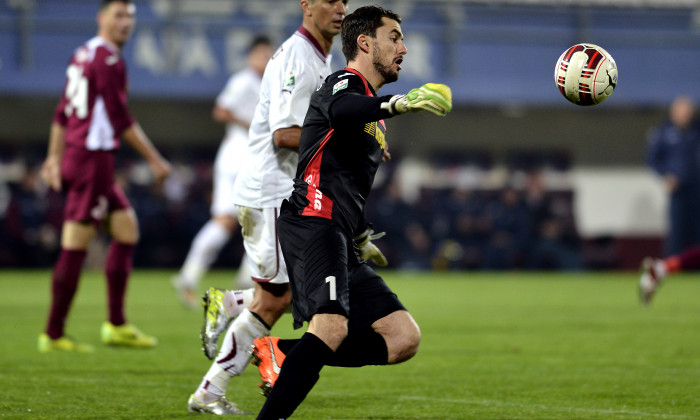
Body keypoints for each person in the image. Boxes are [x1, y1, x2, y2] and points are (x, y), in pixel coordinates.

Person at [253, 6, 452, 419]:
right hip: (312, 220)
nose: (404, 48)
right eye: (394, 37)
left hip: (339, 232)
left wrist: (360, 234)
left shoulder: (370, 114)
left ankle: (284, 352)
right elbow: (343, 111)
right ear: (365, 42)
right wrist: (399, 103)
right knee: (331, 326)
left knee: (402, 338)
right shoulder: (345, 83)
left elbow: (345, 180)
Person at [186, 0, 369, 415]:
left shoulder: (321, 57)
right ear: (306, 6)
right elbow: (285, 134)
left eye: (344, 0)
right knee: (279, 298)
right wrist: (349, 140)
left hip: (285, 192)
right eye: (329, 1)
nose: (340, 8)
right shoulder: (297, 59)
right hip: (270, 191)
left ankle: (227, 316)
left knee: (282, 296)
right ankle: (211, 386)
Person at [37, 0, 172, 353]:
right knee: (75, 243)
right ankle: (52, 334)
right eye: (118, 15)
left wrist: (54, 157)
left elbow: (62, 112)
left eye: (130, 16)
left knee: (127, 227)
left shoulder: (83, 53)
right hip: (91, 159)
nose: (125, 22)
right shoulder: (109, 59)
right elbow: (120, 119)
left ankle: (116, 324)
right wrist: (156, 160)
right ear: (102, 17)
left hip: (79, 156)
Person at [172, 36, 273, 308]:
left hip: (236, 157)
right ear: (251, 56)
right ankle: (248, 280)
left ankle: (189, 276)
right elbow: (221, 110)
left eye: (269, 55)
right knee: (264, 216)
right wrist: (251, 124)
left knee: (226, 222)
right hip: (240, 158)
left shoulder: (264, 83)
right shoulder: (243, 81)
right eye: (261, 54)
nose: (265, 59)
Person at [646, 95, 700, 257]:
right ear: (674, 112)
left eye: (688, 111)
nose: (685, 115)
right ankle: (672, 266)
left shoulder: (696, 131)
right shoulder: (663, 132)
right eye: (682, 111)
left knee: (697, 228)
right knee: (677, 230)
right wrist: (666, 176)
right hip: (677, 190)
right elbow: (652, 159)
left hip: (696, 188)